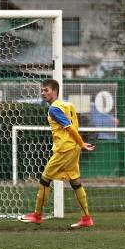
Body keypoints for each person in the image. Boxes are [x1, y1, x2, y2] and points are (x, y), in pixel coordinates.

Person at [19, 79, 96, 229]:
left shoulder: (54, 109)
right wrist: (79, 144)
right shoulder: (68, 105)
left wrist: (81, 143)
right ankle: (86, 218)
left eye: (46, 90)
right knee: (75, 181)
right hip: (73, 148)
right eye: (42, 90)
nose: (43, 93)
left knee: (45, 179)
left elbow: (69, 128)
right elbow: (74, 125)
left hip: (64, 149)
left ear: (55, 91)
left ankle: (37, 215)